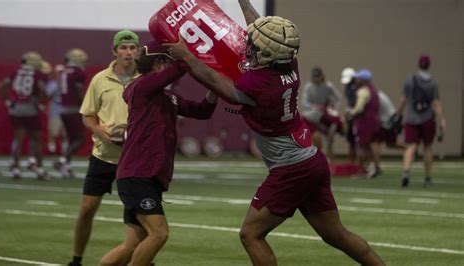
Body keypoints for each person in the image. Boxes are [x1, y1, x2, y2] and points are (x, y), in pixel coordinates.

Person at [164, 1, 384, 265]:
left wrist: (187, 56)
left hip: (291, 168)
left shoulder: (258, 83)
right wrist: (244, 1)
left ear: (267, 54)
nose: (249, 46)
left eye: (254, 47)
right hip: (311, 160)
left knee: (251, 234)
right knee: (337, 235)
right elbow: (262, 32)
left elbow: (217, 83)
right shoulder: (290, 63)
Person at [99, 41, 218, 266]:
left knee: (133, 244)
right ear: (159, 62)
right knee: (159, 233)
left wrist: (215, 89)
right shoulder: (140, 87)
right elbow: (178, 69)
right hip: (138, 175)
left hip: (145, 175)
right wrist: (191, 55)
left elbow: (202, 111)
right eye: (167, 61)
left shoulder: (166, 97)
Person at [68, 30, 140, 266]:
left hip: (134, 159)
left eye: (132, 47)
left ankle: (143, 259)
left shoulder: (144, 78)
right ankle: (76, 260)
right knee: (87, 208)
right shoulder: (100, 79)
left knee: (140, 218)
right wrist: (99, 130)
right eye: (124, 47)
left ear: (138, 51)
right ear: (115, 51)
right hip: (103, 155)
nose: (128, 52)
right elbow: (87, 116)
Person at [0, 51, 49, 180]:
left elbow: (2, 86)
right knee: (36, 139)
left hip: (16, 108)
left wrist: (7, 101)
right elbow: (42, 89)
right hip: (30, 108)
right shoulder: (37, 74)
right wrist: (41, 102)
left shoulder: (16, 72)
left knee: (18, 139)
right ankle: (39, 168)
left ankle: (15, 167)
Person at [396, 55, 445, 187]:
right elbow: (436, 103)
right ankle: (428, 178)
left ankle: (406, 172)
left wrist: (398, 115)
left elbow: (403, 100)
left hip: (411, 118)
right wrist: (441, 120)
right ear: (429, 65)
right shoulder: (433, 83)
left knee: (410, 146)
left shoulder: (410, 80)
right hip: (427, 118)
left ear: (419, 65)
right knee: (428, 147)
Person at [54, 48, 88, 178]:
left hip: (62, 108)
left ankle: (66, 166)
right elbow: (79, 91)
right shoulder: (78, 73)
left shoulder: (63, 71)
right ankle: (62, 160)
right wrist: (85, 106)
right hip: (73, 108)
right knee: (79, 139)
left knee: (70, 138)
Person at [300, 67, 343, 161]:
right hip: (311, 116)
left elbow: (338, 98)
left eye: (317, 77)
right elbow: (304, 103)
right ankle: (316, 158)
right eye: (314, 77)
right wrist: (314, 107)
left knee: (331, 134)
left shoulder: (328, 86)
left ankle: (330, 157)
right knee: (315, 138)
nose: (316, 79)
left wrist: (333, 108)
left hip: (323, 115)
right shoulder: (308, 87)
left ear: (322, 77)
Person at [345, 69, 380, 177]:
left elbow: (359, 109)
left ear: (363, 80)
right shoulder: (374, 90)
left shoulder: (363, 91)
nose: (356, 80)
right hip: (374, 121)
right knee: (368, 146)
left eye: (358, 78)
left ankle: (360, 170)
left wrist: (350, 113)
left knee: (361, 146)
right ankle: (376, 168)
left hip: (364, 122)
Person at [371, 90, 405, 177]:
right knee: (390, 144)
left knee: (375, 142)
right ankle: (409, 149)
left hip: (388, 121)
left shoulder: (375, 96)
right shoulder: (379, 94)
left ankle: (377, 167)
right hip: (389, 120)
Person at [45, 64, 68, 156]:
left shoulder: (68, 84)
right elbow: (47, 94)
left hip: (66, 109)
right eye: (58, 73)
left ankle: (64, 150)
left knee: (65, 133)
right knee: (53, 132)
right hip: (55, 109)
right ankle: (52, 150)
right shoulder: (53, 84)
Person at [341, 67, 358, 163]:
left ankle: (359, 162)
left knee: (358, 142)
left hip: (357, 117)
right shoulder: (347, 88)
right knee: (351, 141)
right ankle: (352, 161)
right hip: (351, 116)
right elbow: (349, 103)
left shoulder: (357, 87)